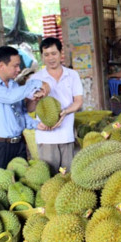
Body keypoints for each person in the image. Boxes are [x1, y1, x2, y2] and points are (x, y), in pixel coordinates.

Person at [0, 46, 50, 189]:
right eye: (15, 66)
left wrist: (36, 124)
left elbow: (21, 113)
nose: (19, 69)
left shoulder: (14, 85)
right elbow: (9, 98)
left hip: (18, 144)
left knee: (22, 184)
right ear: (2, 66)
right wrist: (36, 83)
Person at [28, 37, 83, 175]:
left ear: (60, 53)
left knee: (68, 176)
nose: (50, 58)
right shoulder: (35, 79)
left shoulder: (72, 75)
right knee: (50, 178)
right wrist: (36, 98)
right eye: (46, 55)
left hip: (67, 134)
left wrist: (64, 112)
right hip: (46, 136)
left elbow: (78, 101)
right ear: (41, 56)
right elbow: (29, 108)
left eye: (54, 53)